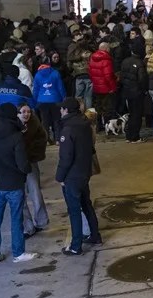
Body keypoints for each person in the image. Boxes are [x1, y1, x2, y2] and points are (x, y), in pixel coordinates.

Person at [0, 103, 38, 265]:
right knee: (16, 219)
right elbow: (22, 163)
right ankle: (18, 253)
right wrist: (25, 170)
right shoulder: (16, 136)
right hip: (14, 183)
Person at [56, 97, 103, 254]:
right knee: (86, 205)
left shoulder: (68, 129)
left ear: (66, 110)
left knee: (74, 210)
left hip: (72, 176)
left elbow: (66, 156)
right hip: (84, 172)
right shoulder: (85, 125)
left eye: (62, 109)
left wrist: (60, 176)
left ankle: (76, 246)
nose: (60, 111)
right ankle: (95, 235)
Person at [18, 103, 49, 237]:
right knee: (19, 197)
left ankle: (41, 221)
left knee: (35, 192)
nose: (26, 114)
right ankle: (27, 227)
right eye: (23, 112)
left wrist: (31, 152)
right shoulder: (12, 125)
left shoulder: (34, 123)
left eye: (28, 112)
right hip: (16, 166)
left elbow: (42, 138)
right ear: (17, 113)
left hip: (30, 162)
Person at [32, 57, 67, 143]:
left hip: (42, 100)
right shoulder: (55, 73)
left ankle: (46, 140)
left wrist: (34, 101)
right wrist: (64, 98)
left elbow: (35, 90)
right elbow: (60, 88)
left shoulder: (37, 75)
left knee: (45, 121)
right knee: (57, 120)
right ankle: (58, 139)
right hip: (55, 100)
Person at [119, 40, 147, 143]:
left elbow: (121, 77)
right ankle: (135, 136)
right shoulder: (140, 63)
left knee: (131, 114)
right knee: (137, 115)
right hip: (137, 93)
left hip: (127, 92)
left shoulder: (125, 61)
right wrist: (144, 90)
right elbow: (142, 79)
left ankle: (128, 136)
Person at [88, 42, 117, 132]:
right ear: (106, 49)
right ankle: (108, 127)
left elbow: (90, 72)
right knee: (107, 108)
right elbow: (108, 76)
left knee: (98, 108)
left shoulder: (92, 58)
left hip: (97, 87)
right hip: (106, 88)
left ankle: (98, 126)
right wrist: (112, 87)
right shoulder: (106, 59)